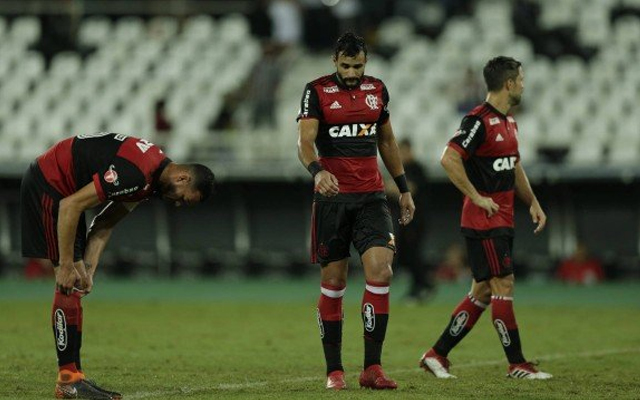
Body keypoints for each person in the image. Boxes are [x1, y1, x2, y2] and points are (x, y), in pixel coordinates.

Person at [20, 132, 215, 399]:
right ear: (183, 178)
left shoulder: (151, 180)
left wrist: (89, 268)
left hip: (66, 193)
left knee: (76, 282)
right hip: (49, 184)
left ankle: (73, 378)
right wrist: (66, 263)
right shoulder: (137, 173)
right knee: (66, 281)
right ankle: (67, 380)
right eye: (184, 198)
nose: (179, 204)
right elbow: (69, 205)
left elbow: (105, 222)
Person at [418, 56, 553, 380]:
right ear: (508, 83)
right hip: (485, 221)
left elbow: (514, 165)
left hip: (503, 219)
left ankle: (436, 355)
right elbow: (449, 158)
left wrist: (532, 201)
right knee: (503, 283)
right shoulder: (478, 120)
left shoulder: (509, 122)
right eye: (520, 79)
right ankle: (517, 363)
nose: (523, 84)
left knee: (481, 292)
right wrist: (477, 196)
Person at [297, 32, 415, 390]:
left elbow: (387, 141)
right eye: (346, 65)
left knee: (381, 272)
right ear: (335, 60)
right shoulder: (316, 91)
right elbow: (304, 141)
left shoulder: (377, 89)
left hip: (372, 198)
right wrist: (318, 172)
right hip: (333, 200)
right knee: (334, 283)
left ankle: (372, 369)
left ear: (366, 62)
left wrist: (404, 188)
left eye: (358, 65)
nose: (351, 72)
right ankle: (334, 370)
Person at [387, 138, 433, 302]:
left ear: (410, 150)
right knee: (406, 254)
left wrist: (390, 188)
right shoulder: (401, 169)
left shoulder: (416, 168)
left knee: (413, 253)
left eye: (403, 151)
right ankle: (421, 285)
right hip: (405, 220)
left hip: (416, 219)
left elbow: (410, 190)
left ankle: (423, 286)